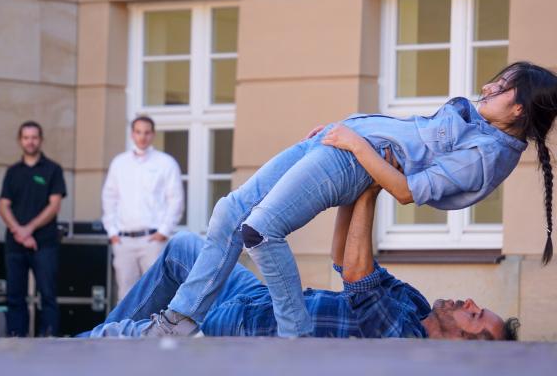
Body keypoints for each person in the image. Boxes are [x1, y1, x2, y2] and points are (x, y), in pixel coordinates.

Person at [140, 61, 557, 338]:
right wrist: (344, 131)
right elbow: (350, 263)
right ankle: (182, 317)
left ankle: (295, 340)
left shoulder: (486, 157)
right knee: (229, 210)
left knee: (260, 231)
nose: (488, 87)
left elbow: (407, 189)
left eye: (501, 88)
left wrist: (358, 147)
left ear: (519, 110)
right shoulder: (480, 128)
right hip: (337, 143)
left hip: (351, 158)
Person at [83, 186, 520, 340]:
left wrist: (371, 186)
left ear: (464, 345)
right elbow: (341, 259)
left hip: (246, 327)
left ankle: (73, 354)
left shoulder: (403, 340)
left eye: (475, 315)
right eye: (473, 305)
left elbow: (357, 274)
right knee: (183, 248)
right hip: (263, 297)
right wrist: (354, 188)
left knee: (108, 337)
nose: (467, 302)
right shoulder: (416, 306)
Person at [101, 115, 184, 300]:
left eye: (147, 132)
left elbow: (176, 200)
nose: (142, 137)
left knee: (157, 291)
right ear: (132, 134)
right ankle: (126, 330)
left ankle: (154, 330)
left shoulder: (165, 163)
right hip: (124, 241)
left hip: (153, 240)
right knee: (125, 294)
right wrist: (112, 232)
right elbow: (109, 198)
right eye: (138, 132)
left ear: (153, 134)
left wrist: (164, 231)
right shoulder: (119, 163)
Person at [0, 121, 67, 336]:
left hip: (45, 242)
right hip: (15, 244)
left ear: (41, 139)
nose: (30, 141)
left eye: (34, 137)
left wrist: (28, 229)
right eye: (26, 137)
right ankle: (16, 340)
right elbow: (3, 206)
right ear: (20, 140)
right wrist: (19, 231)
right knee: (14, 296)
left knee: (47, 294)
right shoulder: (12, 172)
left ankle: (48, 340)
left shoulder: (53, 169)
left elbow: (54, 205)